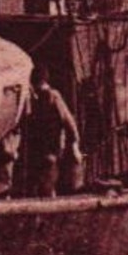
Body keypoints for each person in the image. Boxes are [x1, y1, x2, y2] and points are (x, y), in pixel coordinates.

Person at [26, 66, 82, 197]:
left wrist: (74, 145)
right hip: (42, 147)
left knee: (48, 180)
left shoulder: (53, 97)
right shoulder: (37, 98)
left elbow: (69, 123)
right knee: (42, 181)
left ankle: (50, 201)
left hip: (52, 147)